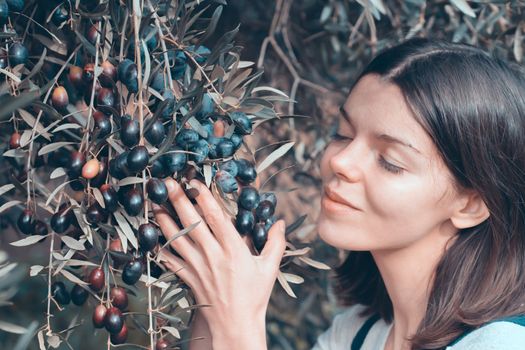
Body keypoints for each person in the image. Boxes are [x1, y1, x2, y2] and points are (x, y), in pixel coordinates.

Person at [152, 38, 525, 350]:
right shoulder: (358, 334)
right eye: (343, 134)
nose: (340, 161)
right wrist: (217, 292)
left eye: (390, 161)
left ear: (472, 203)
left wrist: (239, 324)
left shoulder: (501, 344)